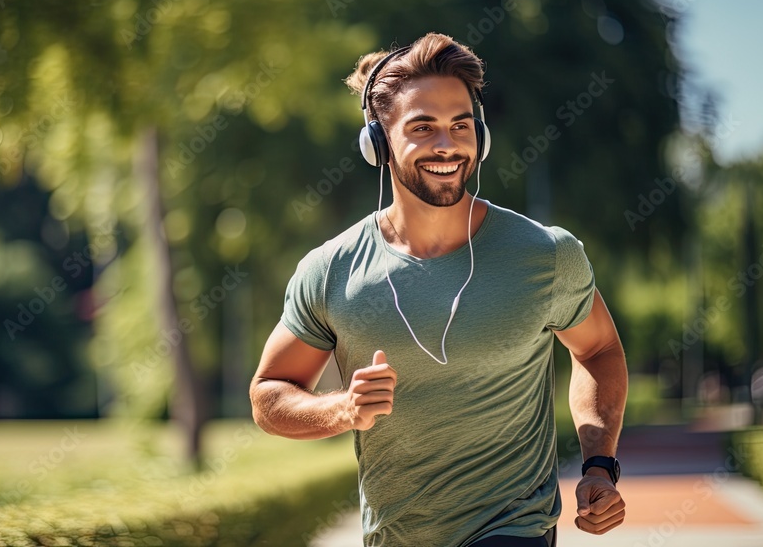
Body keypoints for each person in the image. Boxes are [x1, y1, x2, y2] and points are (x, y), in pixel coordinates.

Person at [249, 32, 628, 546]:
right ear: (377, 143)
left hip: (513, 530)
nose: (447, 144)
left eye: (460, 126)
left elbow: (599, 349)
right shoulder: (332, 270)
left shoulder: (546, 255)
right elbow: (268, 395)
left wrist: (599, 465)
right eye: (423, 128)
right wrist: (342, 410)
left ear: (481, 136)